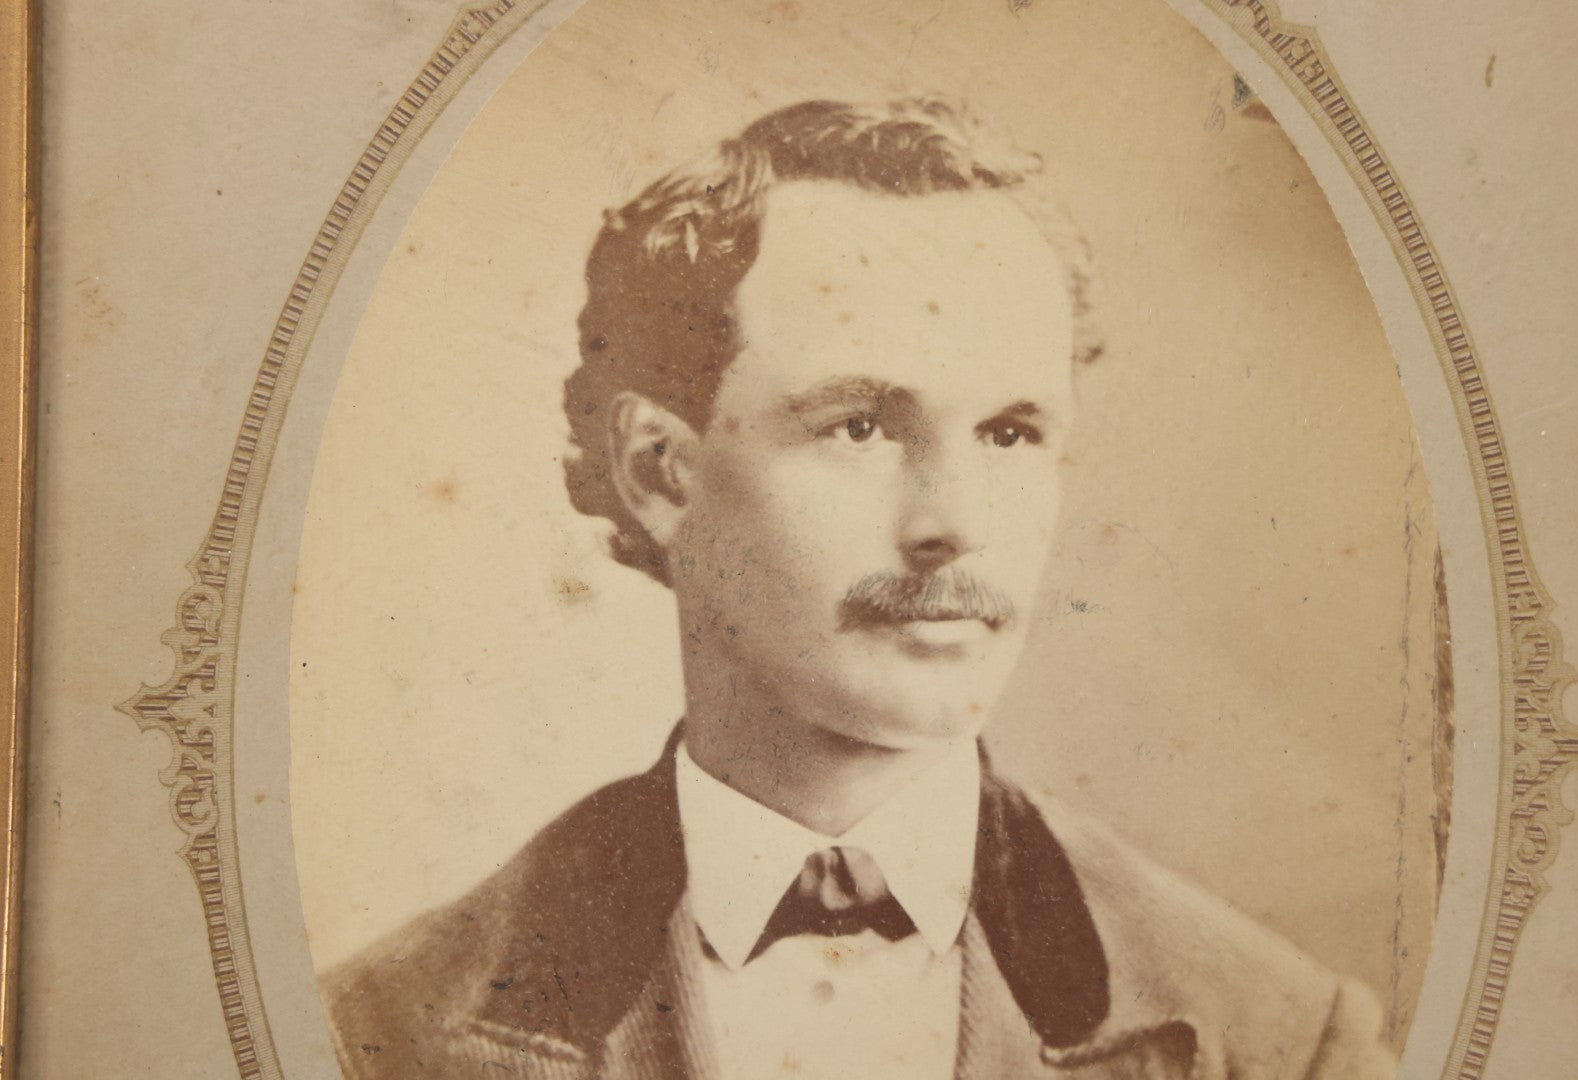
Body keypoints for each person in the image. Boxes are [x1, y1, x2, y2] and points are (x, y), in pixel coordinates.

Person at [320, 98, 1396, 1079]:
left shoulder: (1280, 1038)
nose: (954, 524)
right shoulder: (378, 1034)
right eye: (861, 427)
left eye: (1010, 433)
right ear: (659, 472)